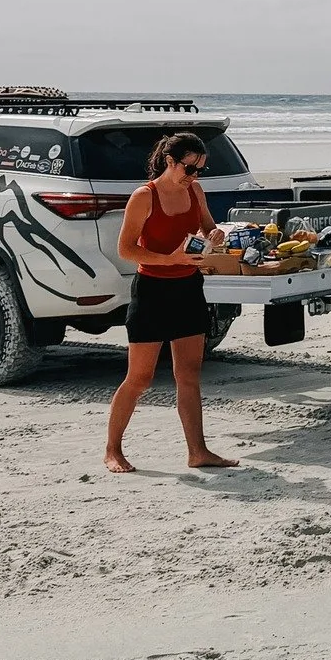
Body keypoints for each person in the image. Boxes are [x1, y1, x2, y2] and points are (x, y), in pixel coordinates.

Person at [103, 130, 239, 474]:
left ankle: (198, 451)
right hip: (152, 290)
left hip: (188, 288)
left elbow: (207, 228)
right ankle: (112, 450)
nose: (194, 176)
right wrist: (170, 259)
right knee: (140, 378)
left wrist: (214, 235)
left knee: (189, 375)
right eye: (189, 168)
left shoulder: (195, 190)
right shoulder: (144, 196)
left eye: (200, 170)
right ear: (169, 161)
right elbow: (126, 250)